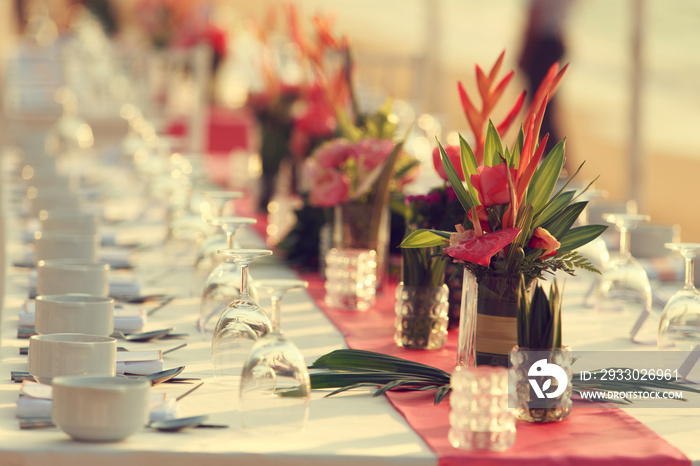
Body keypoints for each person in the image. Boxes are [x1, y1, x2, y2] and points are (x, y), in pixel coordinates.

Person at [518, 0, 573, 156]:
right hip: (556, 41)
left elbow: (536, 14)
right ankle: (559, 166)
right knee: (546, 112)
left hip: (542, 43)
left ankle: (556, 166)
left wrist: (525, 49)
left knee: (539, 112)